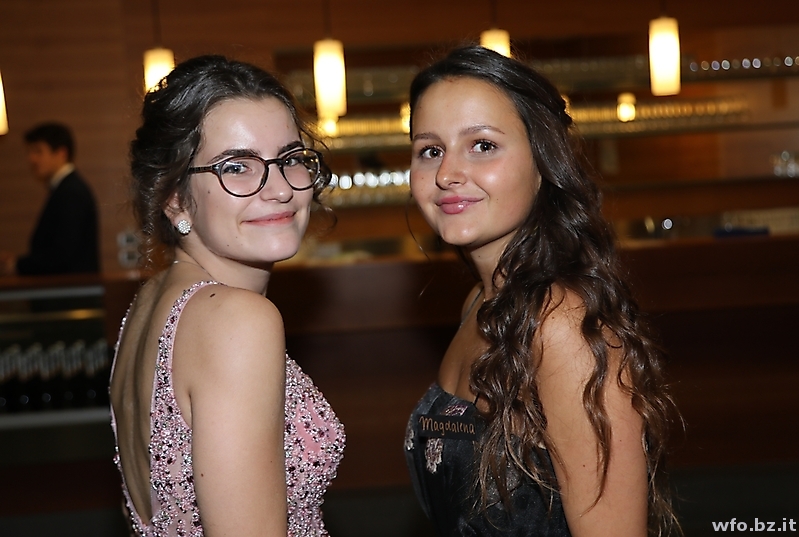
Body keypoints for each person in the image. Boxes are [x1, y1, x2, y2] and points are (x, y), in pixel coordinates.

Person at [404, 46, 680, 537]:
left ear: (542, 163)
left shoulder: (562, 324)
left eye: (482, 145)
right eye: (430, 150)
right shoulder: (481, 303)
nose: (446, 173)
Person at [109, 55, 344, 536]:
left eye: (290, 159)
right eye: (236, 166)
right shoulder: (237, 319)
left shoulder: (150, 301)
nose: (279, 189)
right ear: (174, 197)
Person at [0, 122, 99, 275]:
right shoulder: (65, 189)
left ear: (61, 153)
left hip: (71, 288)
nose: (31, 159)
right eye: (29, 152)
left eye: (38, 151)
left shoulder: (71, 192)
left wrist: (17, 264)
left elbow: (61, 255)